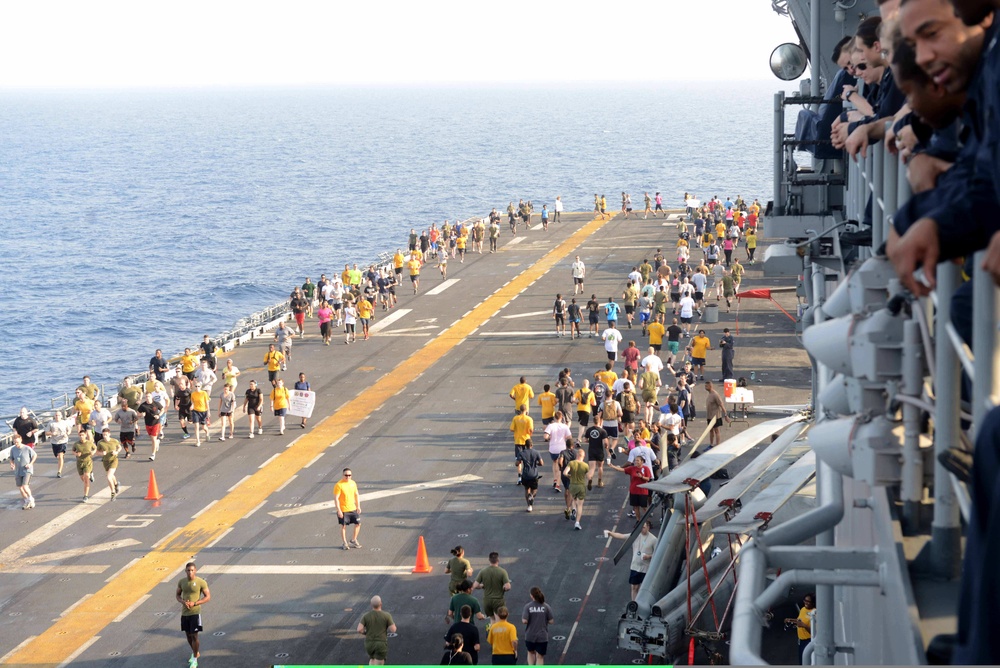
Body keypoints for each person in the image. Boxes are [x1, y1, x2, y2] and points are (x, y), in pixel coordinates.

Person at [604, 521, 658, 600]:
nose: (641, 529)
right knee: (634, 587)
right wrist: (610, 533)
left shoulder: (654, 540)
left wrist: (648, 556)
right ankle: (634, 604)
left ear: (648, 527)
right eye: (640, 528)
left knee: (644, 590)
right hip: (635, 566)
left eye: (643, 527)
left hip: (645, 568)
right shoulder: (635, 535)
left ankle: (641, 604)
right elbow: (622, 536)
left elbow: (657, 554)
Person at [176, 562, 211, 668]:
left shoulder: (201, 582)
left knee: (195, 636)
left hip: (195, 612)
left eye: (192, 570)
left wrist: (195, 603)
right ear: (185, 571)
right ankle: (196, 652)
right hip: (185, 612)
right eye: (188, 570)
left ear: (195, 571)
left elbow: (207, 597)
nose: (190, 572)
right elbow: (177, 595)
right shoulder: (182, 582)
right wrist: (183, 602)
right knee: (188, 635)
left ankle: (195, 658)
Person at [607, 455, 653, 521]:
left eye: (638, 460)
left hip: (643, 491)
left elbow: (648, 479)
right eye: (635, 460)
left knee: (644, 507)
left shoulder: (646, 468)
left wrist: (642, 477)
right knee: (636, 507)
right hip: (634, 491)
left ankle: (648, 521)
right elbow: (622, 469)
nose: (636, 462)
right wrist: (612, 466)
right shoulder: (632, 468)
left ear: (642, 461)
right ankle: (638, 521)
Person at [473, 552, 512, 624]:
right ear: (498, 560)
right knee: (500, 621)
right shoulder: (502, 571)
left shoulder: (483, 571)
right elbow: (508, 586)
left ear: (489, 560)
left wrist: (482, 586)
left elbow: (475, 585)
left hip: (487, 600)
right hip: (498, 600)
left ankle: (492, 633)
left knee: (492, 620)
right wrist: (503, 588)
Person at [358, 595, 397, 666]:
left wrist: (365, 633)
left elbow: (359, 629)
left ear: (371, 605)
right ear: (381, 604)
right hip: (380, 644)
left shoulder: (366, 616)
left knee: (372, 660)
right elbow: (393, 629)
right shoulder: (386, 615)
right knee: (379, 664)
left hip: (369, 644)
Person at [521, 587, 554, 665]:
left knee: (530, 652)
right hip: (542, 636)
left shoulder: (528, 606)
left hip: (530, 635)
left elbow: (524, 621)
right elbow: (551, 621)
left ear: (532, 596)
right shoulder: (546, 606)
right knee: (540, 657)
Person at [334, 467, 362, 550]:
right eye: (346, 475)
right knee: (343, 526)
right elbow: (336, 498)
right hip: (343, 509)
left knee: (358, 524)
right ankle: (345, 543)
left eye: (349, 475)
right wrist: (339, 510)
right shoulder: (339, 485)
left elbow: (356, 495)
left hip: (352, 508)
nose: (348, 477)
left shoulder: (353, 483)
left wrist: (358, 506)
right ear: (343, 475)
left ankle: (353, 540)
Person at [785, 593, 815, 664]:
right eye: (805, 600)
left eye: (808, 601)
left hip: (809, 641)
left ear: (813, 603)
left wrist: (804, 626)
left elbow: (815, 632)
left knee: (808, 661)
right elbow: (800, 620)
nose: (806, 603)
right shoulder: (803, 609)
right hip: (801, 641)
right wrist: (790, 620)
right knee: (802, 661)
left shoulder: (815, 612)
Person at [564, 448, 590, 531]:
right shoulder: (585, 465)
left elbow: (565, 473)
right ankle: (577, 522)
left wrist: (569, 476)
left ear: (577, 455)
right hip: (581, 486)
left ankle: (573, 509)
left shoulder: (571, 463)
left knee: (574, 499)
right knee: (580, 504)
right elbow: (588, 477)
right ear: (584, 456)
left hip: (572, 485)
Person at [9, 435, 37, 510]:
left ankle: (31, 499)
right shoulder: (13, 449)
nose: (16, 444)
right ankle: (26, 501)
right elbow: (11, 458)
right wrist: (12, 464)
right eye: (14, 442)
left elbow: (34, 455)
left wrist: (30, 464)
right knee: (20, 488)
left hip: (27, 470)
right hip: (18, 471)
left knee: (25, 486)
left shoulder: (27, 448)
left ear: (21, 440)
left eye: (17, 442)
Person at [516, 440, 543, 512]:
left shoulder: (522, 453)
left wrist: (520, 461)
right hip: (534, 474)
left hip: (525, 474)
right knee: (534, 490)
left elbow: (517, 463)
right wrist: (536, 464)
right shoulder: (536, 452)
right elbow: (541, 463)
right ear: (532, 445)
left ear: (525, 445)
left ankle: (529, 506)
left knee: (526, 489)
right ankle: (532, 496)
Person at [137, 392, 164, 460]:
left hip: (156, 423)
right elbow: (137, 413)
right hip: (148, 424)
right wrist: (141, 415)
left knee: (153, 439)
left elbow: (162, 409)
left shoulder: (156, 403)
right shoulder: (143, 405)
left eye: (149, 396)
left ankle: (153, 454)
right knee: (152, 439)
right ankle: (157, 442)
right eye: (146, 397)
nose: (147, 398)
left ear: (151, 397)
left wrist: (159, 415)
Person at [45, 409, 73, 476]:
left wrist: (67, 434)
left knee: (60, 456)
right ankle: (61, 459)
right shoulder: (51, 423)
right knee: (57, 456)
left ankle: (59, 472)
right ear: (54, 416)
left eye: (58, 415)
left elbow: (69, 430)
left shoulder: (64, 422)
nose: (57, 416)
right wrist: (52, 433)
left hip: (63, 441)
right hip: (54, 442)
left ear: (61, 416)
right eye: (56, 415)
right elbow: (46, 433)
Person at [704, 381, 731, 447]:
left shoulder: (715, 395)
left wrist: (725, 415)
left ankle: (717, 445)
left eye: (706, 386)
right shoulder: (709, 394)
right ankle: (711, 444)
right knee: (710, 430)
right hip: (709, 416)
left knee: (716, 430)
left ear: (710, 386)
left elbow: (721, 405)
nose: (705, 387)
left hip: (715, 416)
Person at [73, 430, 96, 502]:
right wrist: (76, 454)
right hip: (79, 463)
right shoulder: (76, 444)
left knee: (86, 478)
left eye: (83, 435)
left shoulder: (89, 443)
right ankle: (91, 475)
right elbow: (73, 451)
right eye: (80, 435)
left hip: (88, 462)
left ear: (85, 435)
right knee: (83, 478)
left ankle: (85, 496)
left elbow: (95, 448)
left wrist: (93, 452)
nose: (81, 437)